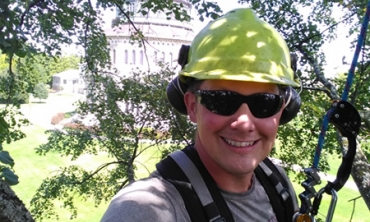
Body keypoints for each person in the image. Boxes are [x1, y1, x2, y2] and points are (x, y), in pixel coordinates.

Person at [101, 8, 301, 222]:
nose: (244, 123)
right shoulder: (144, 209)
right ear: (192, 106)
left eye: (264, 102)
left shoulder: (278, 183)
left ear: (282, 110)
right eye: (221, 99)